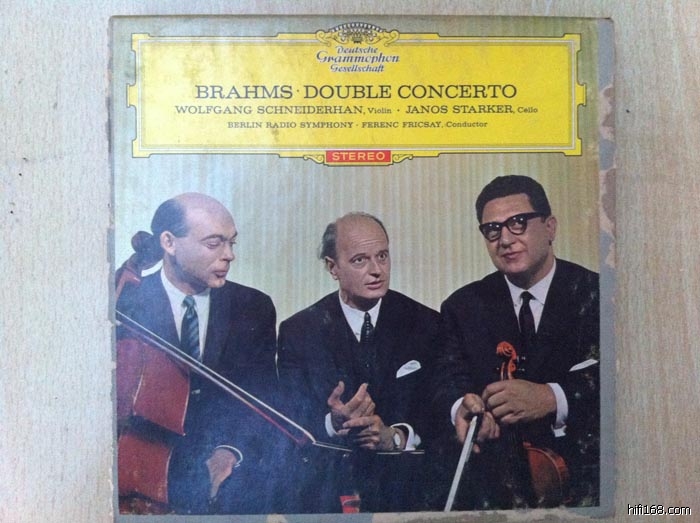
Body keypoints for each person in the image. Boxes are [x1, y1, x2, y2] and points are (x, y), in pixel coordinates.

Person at [429, 175, 599, 509]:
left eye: (518, 223)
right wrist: (460, 407)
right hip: (497, 489)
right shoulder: (462, 307)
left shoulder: (598, 294)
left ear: (550, 227)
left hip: (585, 485)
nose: (505, 239)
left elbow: (627, 381)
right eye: (492, 230)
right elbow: (445, 380)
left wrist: (552, 397)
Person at [115, 193, 278, 515]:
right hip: (144, 470)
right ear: (169, 242)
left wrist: (230, 450)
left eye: (231, 242)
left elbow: (262, 397)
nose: (229, 255)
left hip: (225, 475)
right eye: (214, 243)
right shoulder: (124, 303)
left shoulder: (253, 307)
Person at [276, 212, 440, 513]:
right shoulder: (298, 331)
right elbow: (289, 420)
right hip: (328, 496)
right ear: (333, 267)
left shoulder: (427, 324)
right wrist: (333, 422)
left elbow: (439, 411)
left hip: (409, 494)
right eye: (360, 260)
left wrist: (397, 437)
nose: (377, 270)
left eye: (382, 256)